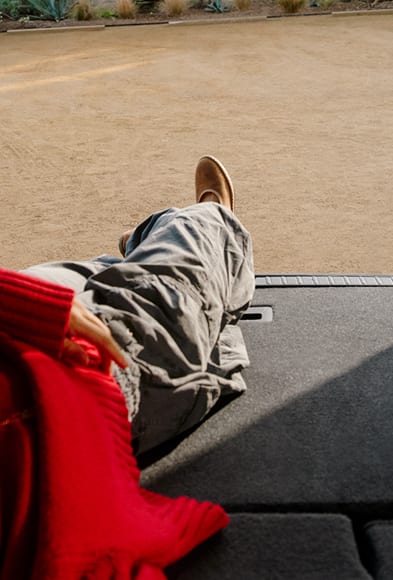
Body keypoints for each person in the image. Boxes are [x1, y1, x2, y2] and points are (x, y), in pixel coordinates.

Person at [0, 155, 255, 577]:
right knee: (198, 235)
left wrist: (28, 305)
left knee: (96, 277)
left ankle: (152, 249)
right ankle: (193, 225)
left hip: (19, 327)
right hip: (66, 391)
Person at [20, 154, 256, 455]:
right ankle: (203, 228)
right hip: (53, 389)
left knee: (90, 274)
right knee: (199, 232)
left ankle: (152, 248)